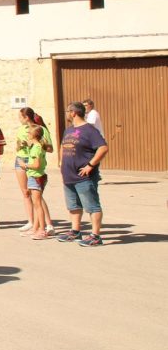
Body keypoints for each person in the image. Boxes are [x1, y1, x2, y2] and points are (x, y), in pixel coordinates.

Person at [56, 101, 109, 247]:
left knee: (92, 206)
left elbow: (103, 148)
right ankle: (75, 231)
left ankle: (96, 236)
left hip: (83, 177)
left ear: (73, 112)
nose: (66, 114)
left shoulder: (89, 130)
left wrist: (90, 165)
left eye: (68, 111)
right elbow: (63, 146)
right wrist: (61, 163)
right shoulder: (69, 130)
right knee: (73, 206)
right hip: (68, 175)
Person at [14, 107, 54, 233]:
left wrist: (35, 145)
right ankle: (31, 222)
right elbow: (17, 146)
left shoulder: (40, 129)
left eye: (20, 117)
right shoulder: (21, 129)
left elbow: (50, 148)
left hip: (33, 161)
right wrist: (21, 145)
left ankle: (48, 224)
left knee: (37, 194)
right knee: (26, 192)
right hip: (21, 159)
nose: (19, 119)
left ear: (26, 117)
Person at [19, 125, 51, 240]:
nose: (27, 135)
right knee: (36, 204)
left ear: (33, 135)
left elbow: (36, 165)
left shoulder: (36, 148)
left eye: (28, 133)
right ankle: (36, 228)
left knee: (37, 205)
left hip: (35, 177)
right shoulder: (38, 146)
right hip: (37, 176)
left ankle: (42, 230)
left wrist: (25, 165)